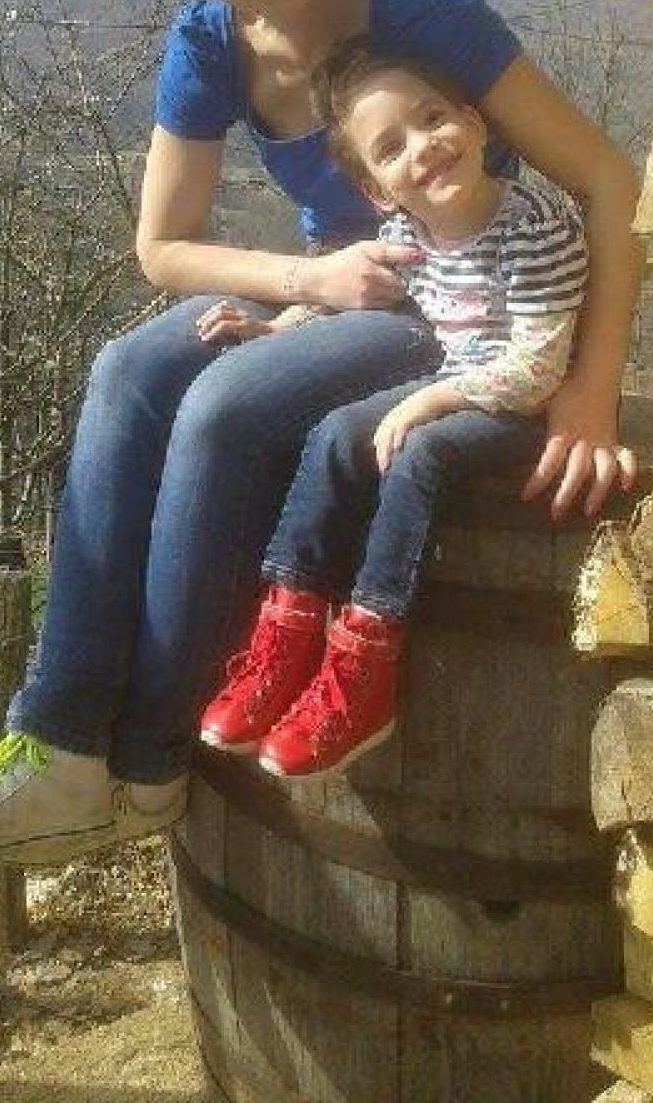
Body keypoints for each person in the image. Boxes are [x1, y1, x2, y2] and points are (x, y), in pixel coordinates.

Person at [0, 0, 643, 866]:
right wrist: (307, 279)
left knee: (222, 406)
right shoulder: (209, 43)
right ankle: (61, 746)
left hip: (456, 295)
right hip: (333, 283)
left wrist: (589, 393)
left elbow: (608, 179)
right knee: (127, 370)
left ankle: (149, 762)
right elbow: (162, 246)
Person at [198, 46, 588, 778]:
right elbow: (351, 295)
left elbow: (536, 370)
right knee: (335, 434)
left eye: (433, 118)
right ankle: (287, 634)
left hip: (518, 401)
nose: (423, 146)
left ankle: (366, 662)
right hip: (452, 383)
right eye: (391, 148)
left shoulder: (535, 226)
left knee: (418, 452)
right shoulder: (410, 233)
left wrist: (428, 400)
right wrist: (274, 329)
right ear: (378, 192)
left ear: (474, 122)